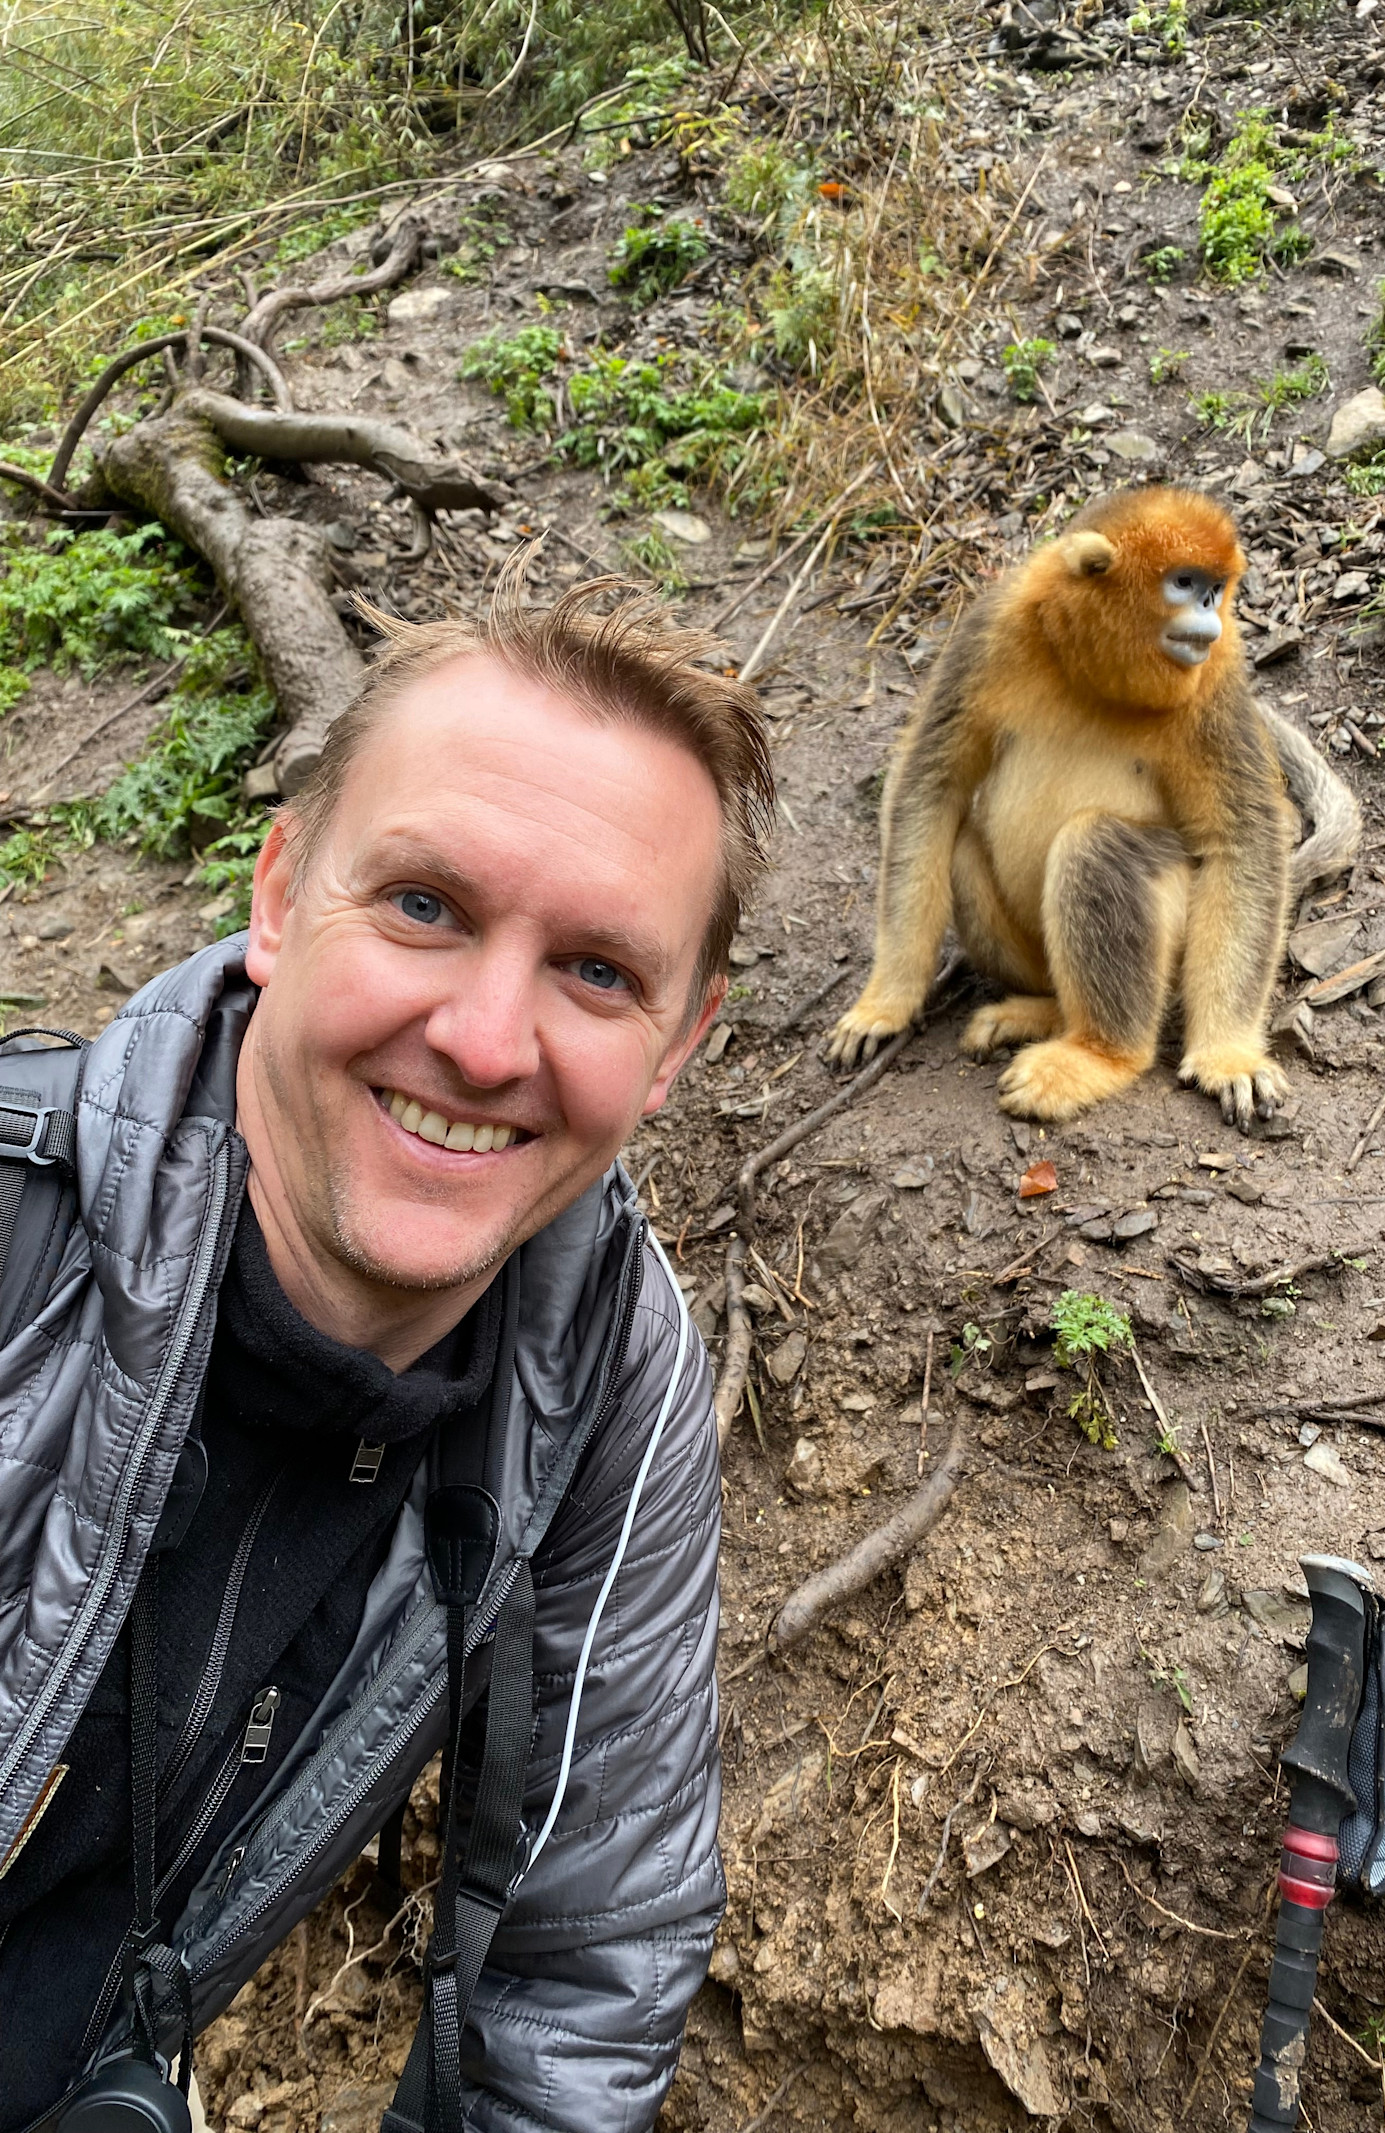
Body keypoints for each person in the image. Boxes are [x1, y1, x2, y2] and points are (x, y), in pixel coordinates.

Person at [0, 568, 772, 2133]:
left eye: (599, 970)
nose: (487, 1041)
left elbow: (588, 1953)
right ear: (280, 894)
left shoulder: (600, 1378)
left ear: (682, 1039)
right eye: (426, 906)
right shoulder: (19, 1223)